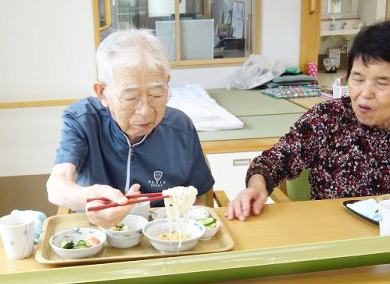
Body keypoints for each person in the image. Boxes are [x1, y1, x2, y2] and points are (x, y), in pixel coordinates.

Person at [46, 28, 215, 228]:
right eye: (130, 97)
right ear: (102, 93)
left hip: (164, 235)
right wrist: (88, 197)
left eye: (156, 94)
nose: (145, 111)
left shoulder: (180, 126)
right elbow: (57, 185)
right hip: (97, 233)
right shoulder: (83, 119)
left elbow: (198, 197)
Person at [227, 20, 390, 221]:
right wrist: (257, 186)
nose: (365, 93)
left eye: (382, 83)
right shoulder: (330, 117)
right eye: (357, 79)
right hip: (330, 236)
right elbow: (270, 162)